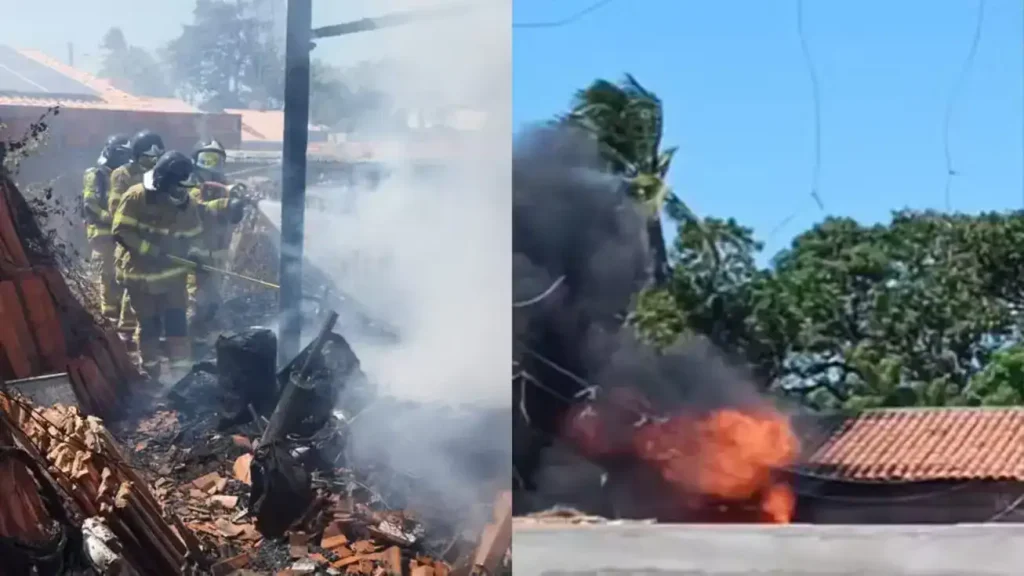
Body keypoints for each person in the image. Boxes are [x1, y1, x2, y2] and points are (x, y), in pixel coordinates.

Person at [111, 150, 207, 380]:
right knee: (149, 325)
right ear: (163, 182)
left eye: (184, 188)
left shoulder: (188, 205)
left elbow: (194, 235)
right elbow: (121, 231)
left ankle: (181, 377)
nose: (182, 193)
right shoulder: (136, 197)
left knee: (177, 323)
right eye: (177, 188)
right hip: (142, 277)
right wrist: (151, 251)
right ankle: (151, 372)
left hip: (173, 277)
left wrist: (197, 258)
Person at [187, 140, 247, 349]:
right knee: (195, 299)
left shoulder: (225, 188)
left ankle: (203, 337)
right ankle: (186, 345)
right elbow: (195, 209)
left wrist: (240, 198)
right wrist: (225, 203)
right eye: (207, 159)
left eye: (217, 159)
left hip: (217, 256)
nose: (213, 166)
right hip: (195, 256)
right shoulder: (190, 186)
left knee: (211, 299)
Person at [109, 130, 165, 345]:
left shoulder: (158, 175)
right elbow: (116, 210)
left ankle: (138, 329)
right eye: (149, 156)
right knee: (134, 285)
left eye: (157, 157)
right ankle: (126, 331)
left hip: (153, 241)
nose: (154, 161)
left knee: (145, 286)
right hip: (130, 240)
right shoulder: (122, 174)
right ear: (138, 155)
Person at [82, 134, 131, 320]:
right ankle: (108, 315)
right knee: (108, 272)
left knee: (121, 272)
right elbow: (90, 203)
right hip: (101, 231)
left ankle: (118, 312)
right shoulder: (95, 174)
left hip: (119, 232)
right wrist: (111, 219)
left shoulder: (123, 176)